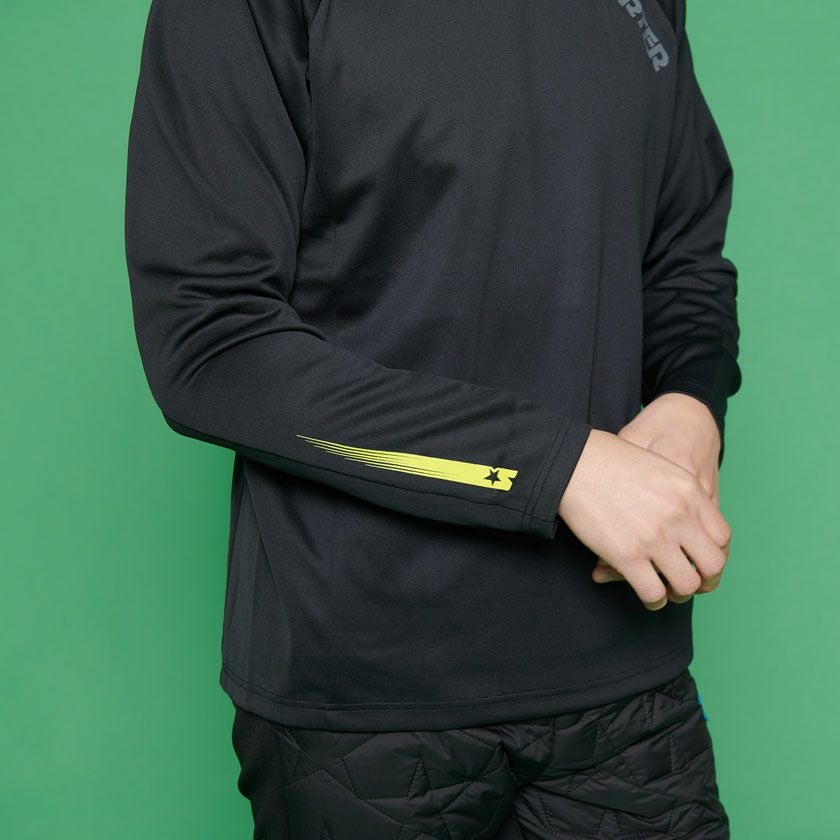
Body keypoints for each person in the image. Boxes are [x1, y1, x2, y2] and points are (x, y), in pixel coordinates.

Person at [124, 0, 741, 836]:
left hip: (626, 668)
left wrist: (692, 402)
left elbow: (684, 256)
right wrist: (554, 467)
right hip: (368, 703)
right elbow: (212, 345)